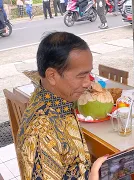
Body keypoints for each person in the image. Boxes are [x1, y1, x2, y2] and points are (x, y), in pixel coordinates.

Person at [16, 32, 106, 179]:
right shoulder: (41, 133)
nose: (87, 83)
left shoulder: (56, 98)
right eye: (81, 75)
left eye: (89, 74)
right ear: (52, 76)